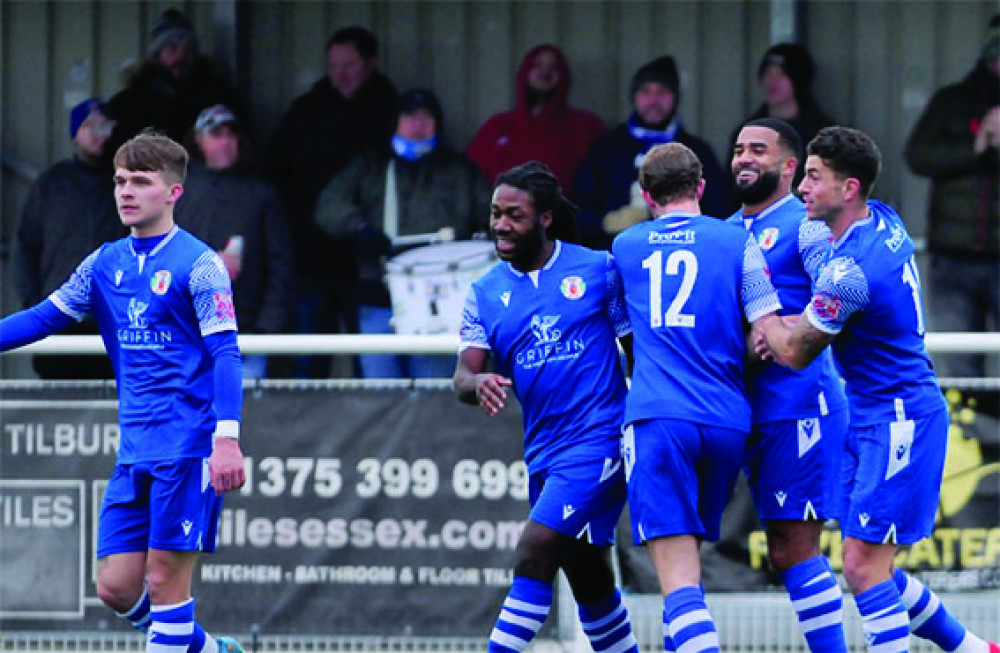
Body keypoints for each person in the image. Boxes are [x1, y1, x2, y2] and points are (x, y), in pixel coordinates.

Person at [0, 132, 247, 653]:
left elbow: (226, 353)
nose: (125, 192)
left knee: (163, 582)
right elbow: (45, 318)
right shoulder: (104, 264)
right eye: (119, 181)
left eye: (140, 181)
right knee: (115, 587)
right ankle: (210, 650)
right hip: (135, 449)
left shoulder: (199, 264)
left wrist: (227, 439)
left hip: (188, 447)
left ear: (173, 192)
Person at [756, 126, 999, 653]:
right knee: (869, 565)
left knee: (863, 568)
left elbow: (795, 350)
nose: (801, 188)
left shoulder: (850, 272)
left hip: (899, 420)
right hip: (873, 415)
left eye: (814, 178)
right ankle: (972, 650)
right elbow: (822, 272)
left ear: (849, 190)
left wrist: (759, 299)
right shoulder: (882, 219)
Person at [454, 162, 639, 653]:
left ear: (546, 219)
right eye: (496, 213)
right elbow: (462, 374)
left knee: (534, 552)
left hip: (600, 439)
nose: (501, 225)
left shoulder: (598, 270)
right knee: (588, 577)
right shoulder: (484, 292)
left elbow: (637, 354)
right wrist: (478, 383)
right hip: (544, 452)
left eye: (514, 215)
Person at [611, 142, 782, 652]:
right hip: (727, 421)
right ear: (702, 187)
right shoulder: (736, 240)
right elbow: (767, 331)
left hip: (660, 418)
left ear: (647, 195)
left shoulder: (625, 246)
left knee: (679, 584)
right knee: (688, 573)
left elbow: (626, 339)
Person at [727, 118, 850, 651]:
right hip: (740, 406)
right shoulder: (724, 231)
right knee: (783, 550)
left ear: (789, 166)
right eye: (737, 150)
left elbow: (840, 287)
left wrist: (781, 331)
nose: (744, 159)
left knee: (796, 549)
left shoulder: (805, 224)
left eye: (759, 149)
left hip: (800, 402)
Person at [315, 88, 490, 378]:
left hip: (440, 303)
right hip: (377, 297)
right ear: (395, 123)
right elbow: (328, 205)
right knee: (380, 396)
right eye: (410, 118)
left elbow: (493, 215)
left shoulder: (460, 172)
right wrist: (359, 229)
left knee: (434, 394)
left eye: (426, 118)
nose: (418, 126)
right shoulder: (369, 167)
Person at [265, 25, 398, 378]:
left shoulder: (392, 113)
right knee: (309, 359)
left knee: (369, 362)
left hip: (369, 261)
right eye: (334, 65)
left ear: (370, 65)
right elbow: (274, 172)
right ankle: (305, 434)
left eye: (350, 65)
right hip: (311, 257)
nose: (341, 74)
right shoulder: (306, 112)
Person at [904, 14, 999, 379]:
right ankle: (966, 434)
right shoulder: (953, 101)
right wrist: (978, 146)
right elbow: (918, 155)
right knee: (957, 364)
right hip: (953, 256)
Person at [176, 105, 295, 379]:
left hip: (245, 335)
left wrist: (267, 328)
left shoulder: (261, 194)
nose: (226, 142)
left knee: (243, 419)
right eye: (216, 134)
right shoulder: (176, 193)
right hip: (185, 335)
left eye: (231, 135)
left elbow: (281, 266)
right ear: (198, 140)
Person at [13, 98, 125, 380]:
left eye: (104, 126)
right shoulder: (51, 184)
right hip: (60, 318)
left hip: (113, 319)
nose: (97, 134)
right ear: (75, 132)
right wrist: (35, 306)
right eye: (89, 126)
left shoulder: (125, 185)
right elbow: (25, 246)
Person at [573, 55, 732, 249]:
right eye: (646, 91)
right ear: (634, 97)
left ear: (675, 98)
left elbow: (720, 214)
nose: (654, 100)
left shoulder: (697, 151)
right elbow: (578, 212)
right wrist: (606, 222)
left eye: (663, 91)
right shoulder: (606, 149)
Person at [104, 8, 247, 156]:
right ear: (157, 55)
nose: (181, 56)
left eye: (188, 50)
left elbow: (243, 147)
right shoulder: (128, 105)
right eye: (172, 48)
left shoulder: (219, 99)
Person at [465, 44, 606, 191]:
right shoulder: (497, 127)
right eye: (537, 65)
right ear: (524, 73)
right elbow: (469, 178)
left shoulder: (585, 128)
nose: (545, 71)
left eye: (554, 67)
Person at [728, 43, 837, 191]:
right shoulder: (746, 132)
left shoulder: (824, 134)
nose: (773, 81)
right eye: (768, 73)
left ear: (798, 79)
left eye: (782, 74)